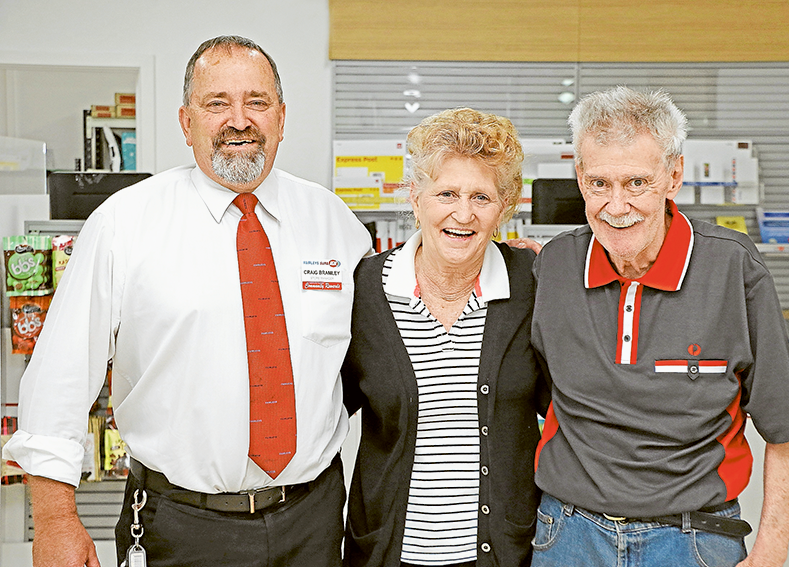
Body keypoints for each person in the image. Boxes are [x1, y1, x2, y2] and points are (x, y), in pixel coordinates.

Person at [2, 35, 371, 567]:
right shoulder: (125, 223)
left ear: (282, 118)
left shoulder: (333, 222)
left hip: (313, 522)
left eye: (257, 102)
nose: (238, 120)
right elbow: (60, 374)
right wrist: (57, 519)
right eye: (217, 103)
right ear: (186, 120)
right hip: (179, 526)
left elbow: (374, 362)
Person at [529, 86, 789, 567]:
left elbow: (786, 430)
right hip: (568, 536)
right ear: (579, 178)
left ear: (673, 175)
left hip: (694, 539)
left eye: (636, 182)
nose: (616, 206)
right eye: (599, 183)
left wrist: (771, 549)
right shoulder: (552, 266)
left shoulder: (733, 268)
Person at [341, 108, 550, 567]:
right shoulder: (366, 292)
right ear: (415, 197)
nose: (463, 213)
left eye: (482, 196)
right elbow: (322, 410)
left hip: (505, 552)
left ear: (505, 207)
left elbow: (569, 409)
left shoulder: (533, 287)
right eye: (447, 193)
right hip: (387, 551)